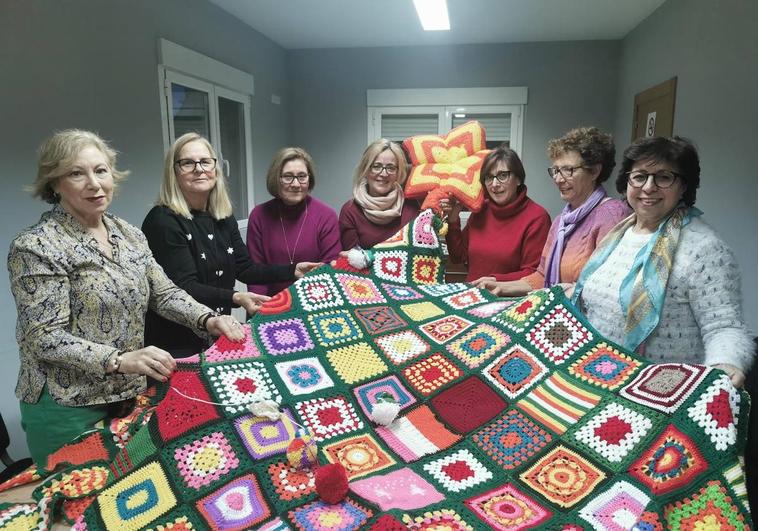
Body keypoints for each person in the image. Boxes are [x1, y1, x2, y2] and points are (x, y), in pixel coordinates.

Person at [7, 129, 244, 465]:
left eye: (101, 170)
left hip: (127, 395)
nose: (94, 183)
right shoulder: (37, 246)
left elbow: (164, 294)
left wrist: (208, 318)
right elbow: (44, 338)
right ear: (55, 183)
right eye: (77, 173)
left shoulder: (128, 235)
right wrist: (119, 360)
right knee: (76, 507)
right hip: (67, 405)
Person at [574, 136, 753, 386]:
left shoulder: (705, 249)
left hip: (664, 392)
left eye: (664, 177)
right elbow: (601, 297)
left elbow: (724, 326)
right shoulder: (618, 235)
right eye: (639, 176)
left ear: (684, 186)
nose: (648, 187)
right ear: (627, 181)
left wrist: (725, 363)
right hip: (602, 378)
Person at [142, 133, 319, 357]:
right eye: (188, 163)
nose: (199, 169)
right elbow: (184, 285)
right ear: (174, 172)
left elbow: (244, 268)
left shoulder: (222, 216)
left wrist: (293, 269)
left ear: (216, 168)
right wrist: (235, 297)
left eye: (205, 161)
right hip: (177, 342)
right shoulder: (163, 221)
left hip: (216, 331)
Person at [483, 127, 630, 297]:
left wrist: (551, 296)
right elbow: (542, 276)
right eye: (556, 171)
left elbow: (604, 288)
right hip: (560, 313)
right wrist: (499, 286)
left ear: (595, 171)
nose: (558, 179)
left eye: (569, 170)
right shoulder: (561, 221)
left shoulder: (611, 215)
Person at [439, 146, 551, 284]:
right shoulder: (481, 210)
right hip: (473, 296)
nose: (495, 184)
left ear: (518, 179)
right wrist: (453, 219)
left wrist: (494, 280)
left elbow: (534, 275)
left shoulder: (537, 218)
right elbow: (458, 257)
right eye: (489, 177)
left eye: (503, 175)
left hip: (512, 301)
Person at [247, 147, 340, 296]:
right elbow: (255, 272)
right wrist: (262, 310)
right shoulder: (259, 215)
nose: (296, 184)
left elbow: (330, 270)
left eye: (302, 176)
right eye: (288, 176)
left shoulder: (326, 216)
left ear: (309, 178)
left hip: (314, 303)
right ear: (276, 179)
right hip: (268, 304)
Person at [339, 139, 420, 250]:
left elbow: (418, 251)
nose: (383, 173)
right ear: (366, 170)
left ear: (398, 172)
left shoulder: (411, 207)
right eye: (376, 166)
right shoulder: (350, 211)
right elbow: (351, 260)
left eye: (391, 168)